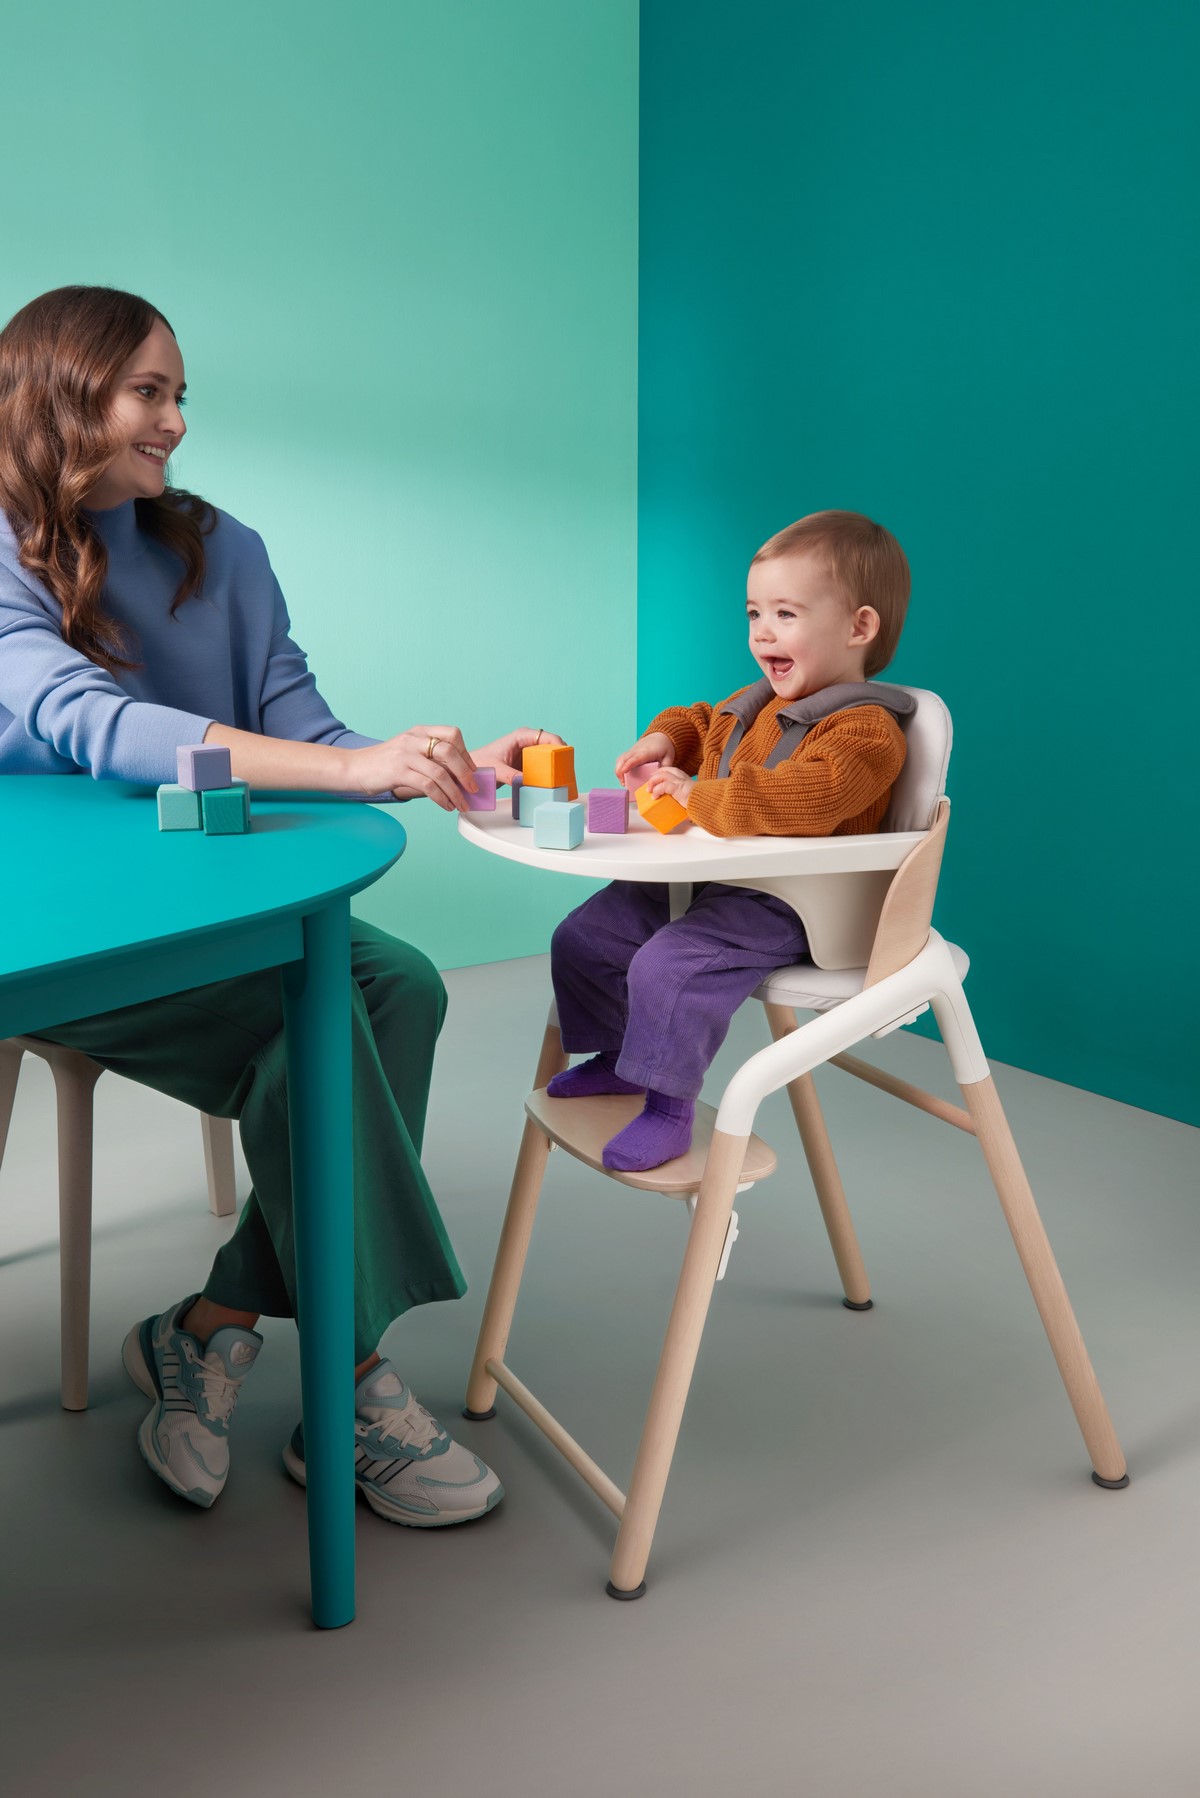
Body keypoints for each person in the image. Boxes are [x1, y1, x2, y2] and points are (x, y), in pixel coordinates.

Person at [0, 283, 563, 1524]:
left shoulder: (222, 547)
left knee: (399, 985)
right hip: (67, 935)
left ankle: (211, 1327)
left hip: (212, 906)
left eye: (180, 394)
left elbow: (309, 734)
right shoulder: (3, 547)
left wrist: (436, 769)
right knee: (313, 1030)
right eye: (148, 391)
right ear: (60, 394)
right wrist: (354, 771)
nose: (175, 421)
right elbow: (87, 723)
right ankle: (351, 1380)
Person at [546, 510, 915, 1173]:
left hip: (797, 903)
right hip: (718, 880)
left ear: (859, 628)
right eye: (754, 614)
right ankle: (619, 1057)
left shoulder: (866, 731)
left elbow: (808, 796)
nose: (762, 632)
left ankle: (667, 1108)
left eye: (785, 614)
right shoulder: (761, 704)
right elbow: (701, 721)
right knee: (586, 935)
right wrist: (664, 740)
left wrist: (698, 798)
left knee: (670, 965)